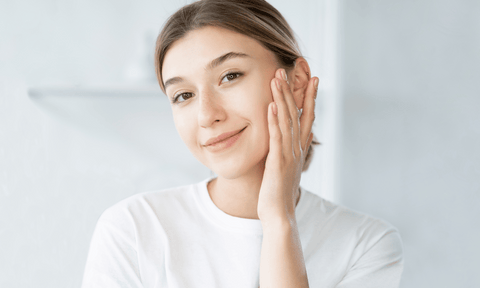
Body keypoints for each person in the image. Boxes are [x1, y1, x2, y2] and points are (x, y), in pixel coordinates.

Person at [81, 0, 404, 287]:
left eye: (230, 76)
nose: (207, 115)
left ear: (297, 81)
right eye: (183, 96)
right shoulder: (134, 230)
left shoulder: (367, 245)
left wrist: (279, 221)